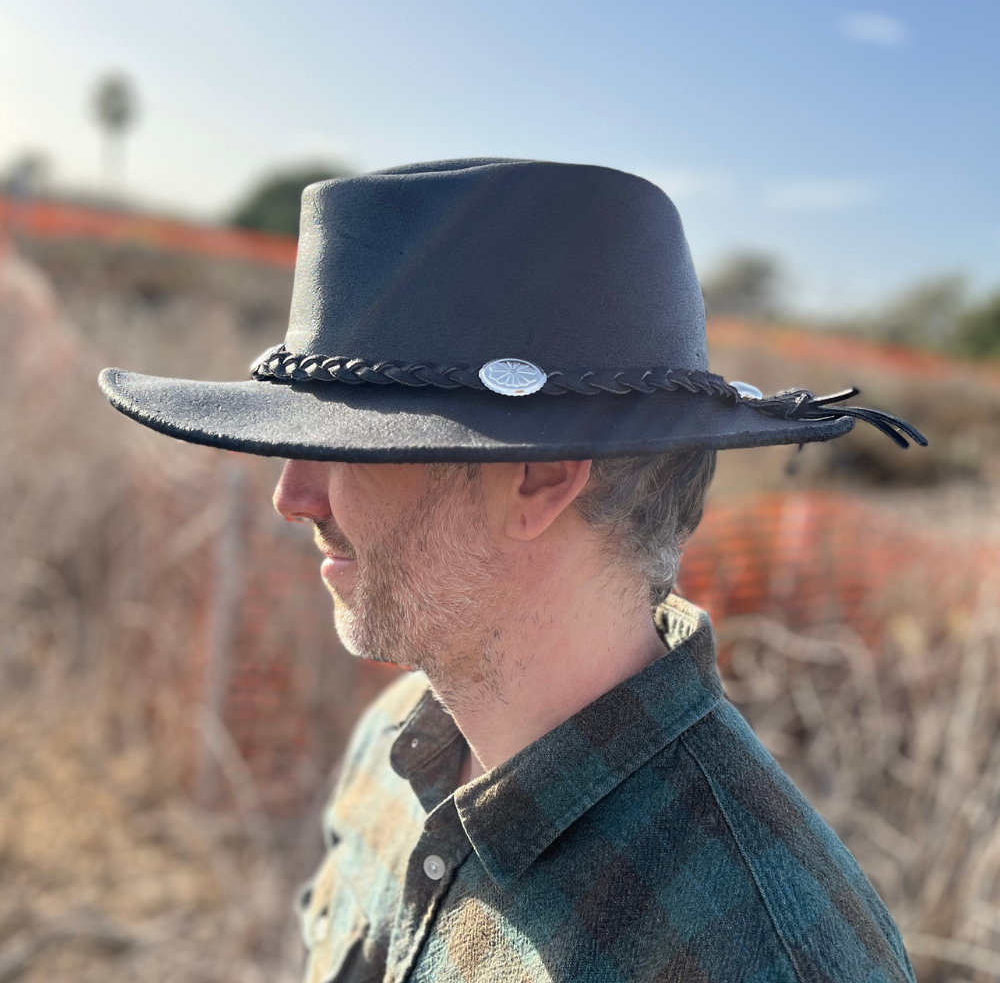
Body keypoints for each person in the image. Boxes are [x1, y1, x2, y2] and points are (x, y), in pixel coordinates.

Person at [100, 159, 924, 983]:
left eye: (342, 445)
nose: (292, 495)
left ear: (537, 476)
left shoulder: (765, 956)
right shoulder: (395, 743)